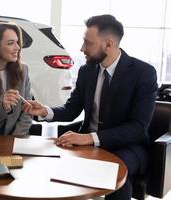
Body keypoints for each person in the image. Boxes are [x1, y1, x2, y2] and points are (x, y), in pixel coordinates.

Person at [22, 14, 158, 200]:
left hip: (128, 147)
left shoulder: (143, 73)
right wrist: (46, 111)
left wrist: (88, 138)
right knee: (46, 164)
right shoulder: (87, 71)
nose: (82, 48)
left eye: (88, 43)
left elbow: (137, 128)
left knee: (116, 172)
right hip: (87, 141)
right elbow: (72, 109)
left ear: (108, 44)